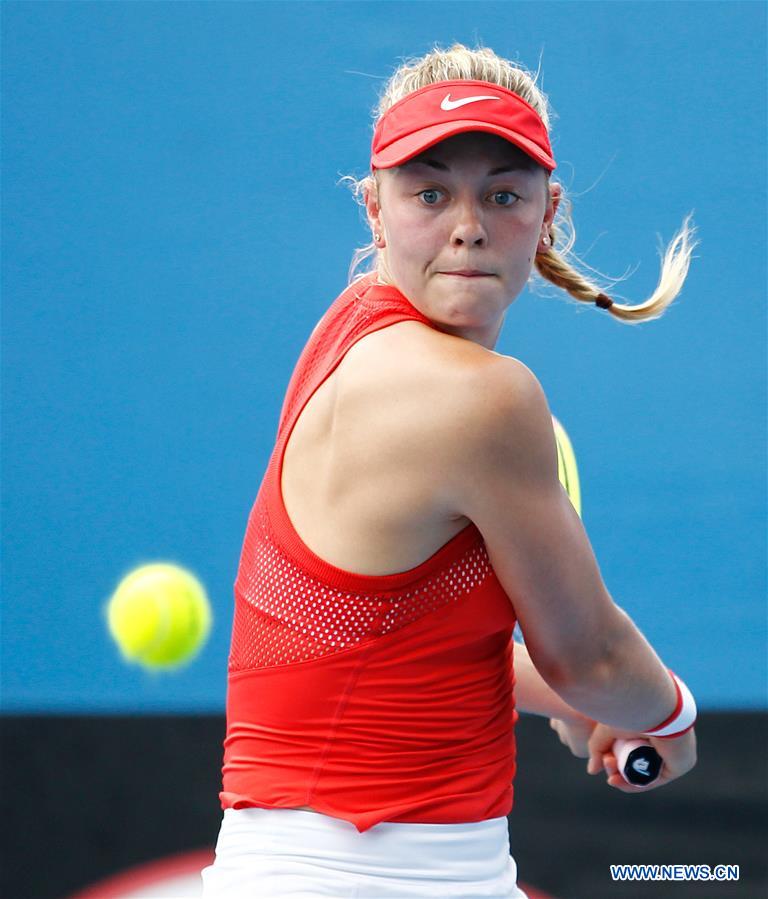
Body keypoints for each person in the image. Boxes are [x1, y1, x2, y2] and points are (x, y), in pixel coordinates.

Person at [201, 42, 698, 899]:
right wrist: (666, 716)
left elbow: (379, 642)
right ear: (375, 210)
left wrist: (561, 696)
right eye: (429, 192)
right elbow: (595, 656)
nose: (467, 222)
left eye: (502, 194)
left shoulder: (343, 334)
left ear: (547, 213)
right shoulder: (486, 400)